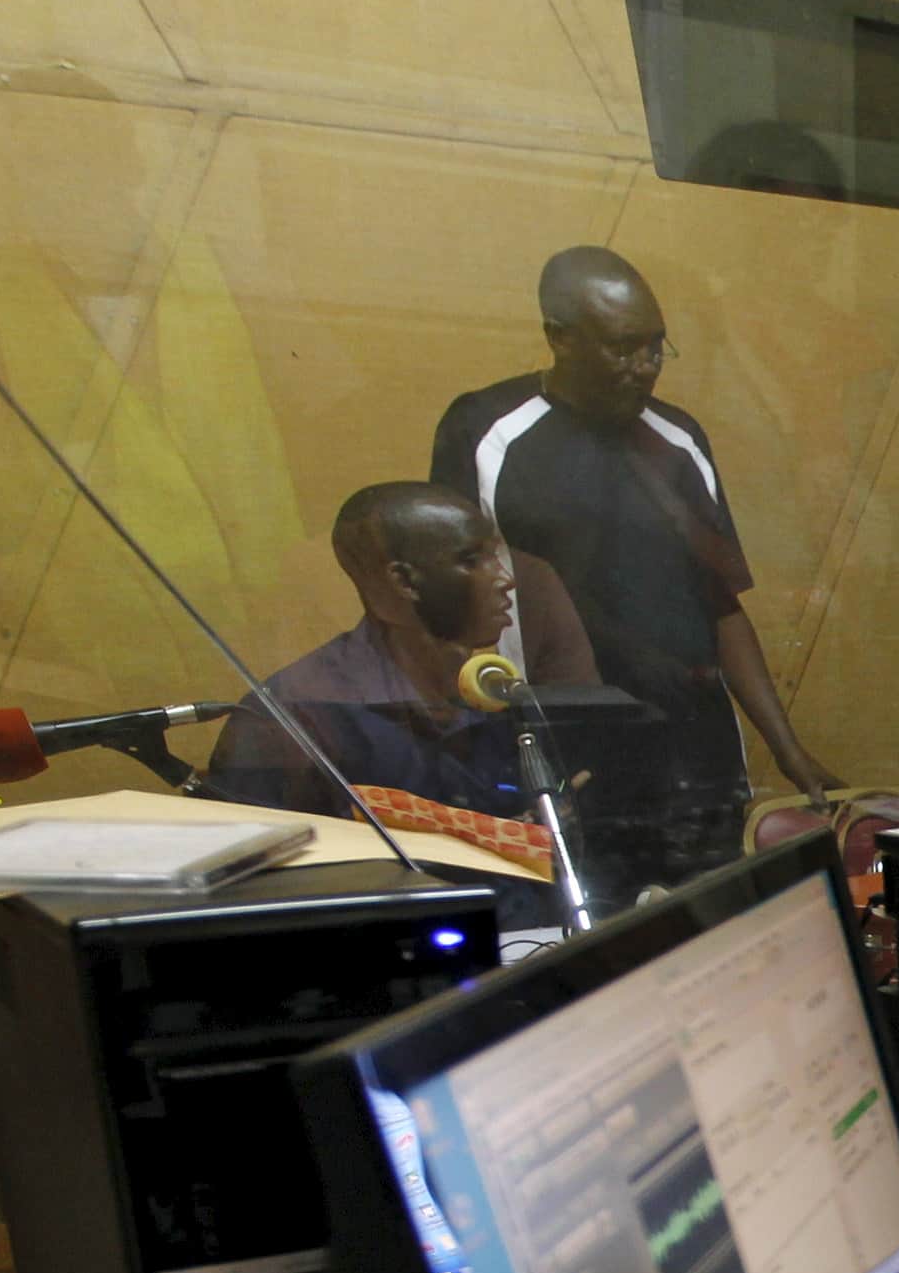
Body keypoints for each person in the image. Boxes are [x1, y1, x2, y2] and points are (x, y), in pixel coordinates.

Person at [432, 246, 835, 892]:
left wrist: (787, 749)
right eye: (624, 348)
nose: (645, 367)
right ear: (559, 338)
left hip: (695, 762)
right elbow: (449, 611)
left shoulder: (679, 439)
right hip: (566, 762)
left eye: (655, 347)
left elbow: (722, 605)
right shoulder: (486, 432)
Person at [203, 480, 591, 821]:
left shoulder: (492, 695)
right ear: (405, 582)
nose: (505, 579)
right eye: (473, 560)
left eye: (496, 556)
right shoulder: (296, 716)